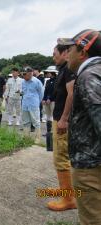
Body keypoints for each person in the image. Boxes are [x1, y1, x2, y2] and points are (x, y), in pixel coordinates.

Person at [58, 29, 101, 224]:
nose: (67, 54)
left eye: (70, 48)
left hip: (90, 166)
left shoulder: (88, 77)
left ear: (83, 52)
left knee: (92, 219)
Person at [46, 43, 76, 211]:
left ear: (65, 53)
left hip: (63, 120)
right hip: (59, 118)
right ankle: (65, 190)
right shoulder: (64, 70)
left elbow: (72, 93)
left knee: (61, 158)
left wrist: (64, 119)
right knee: (60, 156)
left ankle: (69, 199)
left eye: (55, 53)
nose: (53, 57)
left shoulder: (69, 69)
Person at [21, 67, 43, 143]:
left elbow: (41, 94)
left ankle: (38, 138)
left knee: (36, 122)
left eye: (25, 74)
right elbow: (23, 92)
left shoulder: (37, 82)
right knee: (25, 121)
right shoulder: (23, 82)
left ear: (30, 74)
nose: (23, 76)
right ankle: (26, 137)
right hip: (24, 104)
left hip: (33, 104)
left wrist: (37, 102)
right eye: (23, 74)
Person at [42, 66, 57, 135]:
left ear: (52, 73)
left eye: (48, 72)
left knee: (53, 116)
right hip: (47, 100)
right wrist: (44, 99)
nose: (47, 74)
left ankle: (54, 132)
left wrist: (50, 99)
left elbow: (55, 91)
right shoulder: (48, 81)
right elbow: (45, 91)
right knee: (48, 115)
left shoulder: (57, 80)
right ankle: (48, 132)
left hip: (53, 100)